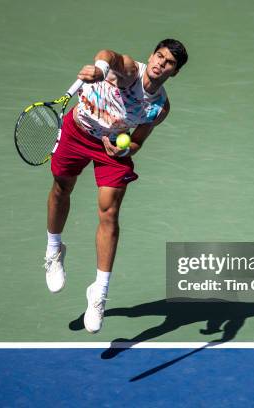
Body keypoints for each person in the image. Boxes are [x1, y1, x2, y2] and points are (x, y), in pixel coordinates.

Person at [43, 39, 188, 333]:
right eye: (158, 56)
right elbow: (110, 55)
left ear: (175, 72)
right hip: (77, 129)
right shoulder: (131, 71)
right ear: (152, 56)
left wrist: (126, 150)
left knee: (110, 213)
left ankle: (99, 292)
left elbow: (138, 140)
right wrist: (100, 69)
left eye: (169, 62)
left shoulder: (160, 107)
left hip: (109, 148)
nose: (160, 63)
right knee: (61, 189)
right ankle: (53, 250)